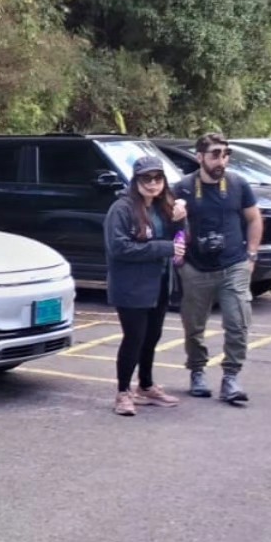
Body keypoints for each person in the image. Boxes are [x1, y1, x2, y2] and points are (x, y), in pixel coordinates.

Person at [171, 132, 262, 404]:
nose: (221, 160)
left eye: (225, 154)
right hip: (196, 268)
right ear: (200, 157)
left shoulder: (238, 184)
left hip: (233, 265)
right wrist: (177, 226)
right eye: (215, 155)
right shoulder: (184, 188)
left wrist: (251, 256)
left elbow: (254, 219)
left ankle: (231, 377)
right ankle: (197, 371)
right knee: (193, 326)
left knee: (238, 322)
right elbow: (169, 227)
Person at [104, 156, 187, 416]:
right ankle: (123, 392)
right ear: (135, 180)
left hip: (159, 282)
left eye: (157, 178)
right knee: (134, 338)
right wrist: (163, 248)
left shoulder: (163, 206)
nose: (153, 184)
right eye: (146, 178)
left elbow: (179, 240)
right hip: (132, 285)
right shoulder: (121, 208)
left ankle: (146, 386)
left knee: (152, 336)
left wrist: (180, 220)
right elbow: (119, 248)